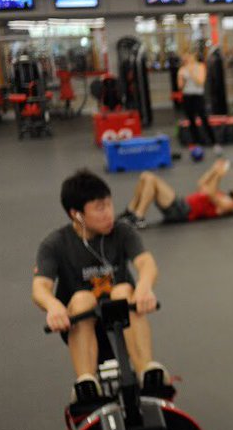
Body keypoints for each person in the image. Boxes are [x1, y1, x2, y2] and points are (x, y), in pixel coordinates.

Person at [33, 169, 169, 402]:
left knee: (123, 290)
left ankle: (146, 372)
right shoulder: (55, 244)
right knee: (82, 298)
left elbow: (146, 263)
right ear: (77, 215)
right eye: (99, 208)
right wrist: (53, 306)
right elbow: (40, 287)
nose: (109, 214)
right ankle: (86, 382)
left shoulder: (122, 232)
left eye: (109, 205)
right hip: (83, 324)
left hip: (125, 321)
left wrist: (144, 287)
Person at [120, 158, 233, 228]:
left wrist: (218, 175)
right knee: (145, 176)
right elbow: (201, 184)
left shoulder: (230, 205)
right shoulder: (223, 195)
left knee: (150, 178)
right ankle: (131, 211)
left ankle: (139, 217)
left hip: (183, 211)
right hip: (181, 205)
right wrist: (213, 169)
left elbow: (211, 194)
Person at [178, 51, 216, 147]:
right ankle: (197, 141)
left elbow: (200, 82)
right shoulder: (182, 69)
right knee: (191, 119)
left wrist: (191, 72)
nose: (186, 58)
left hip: (198, 96)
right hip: (187, 96)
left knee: (203, 118)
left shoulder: (200, 67)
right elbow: (180, 86)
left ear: (193, 57)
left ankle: (213, 141)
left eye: (188, 56)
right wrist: (181, 77)